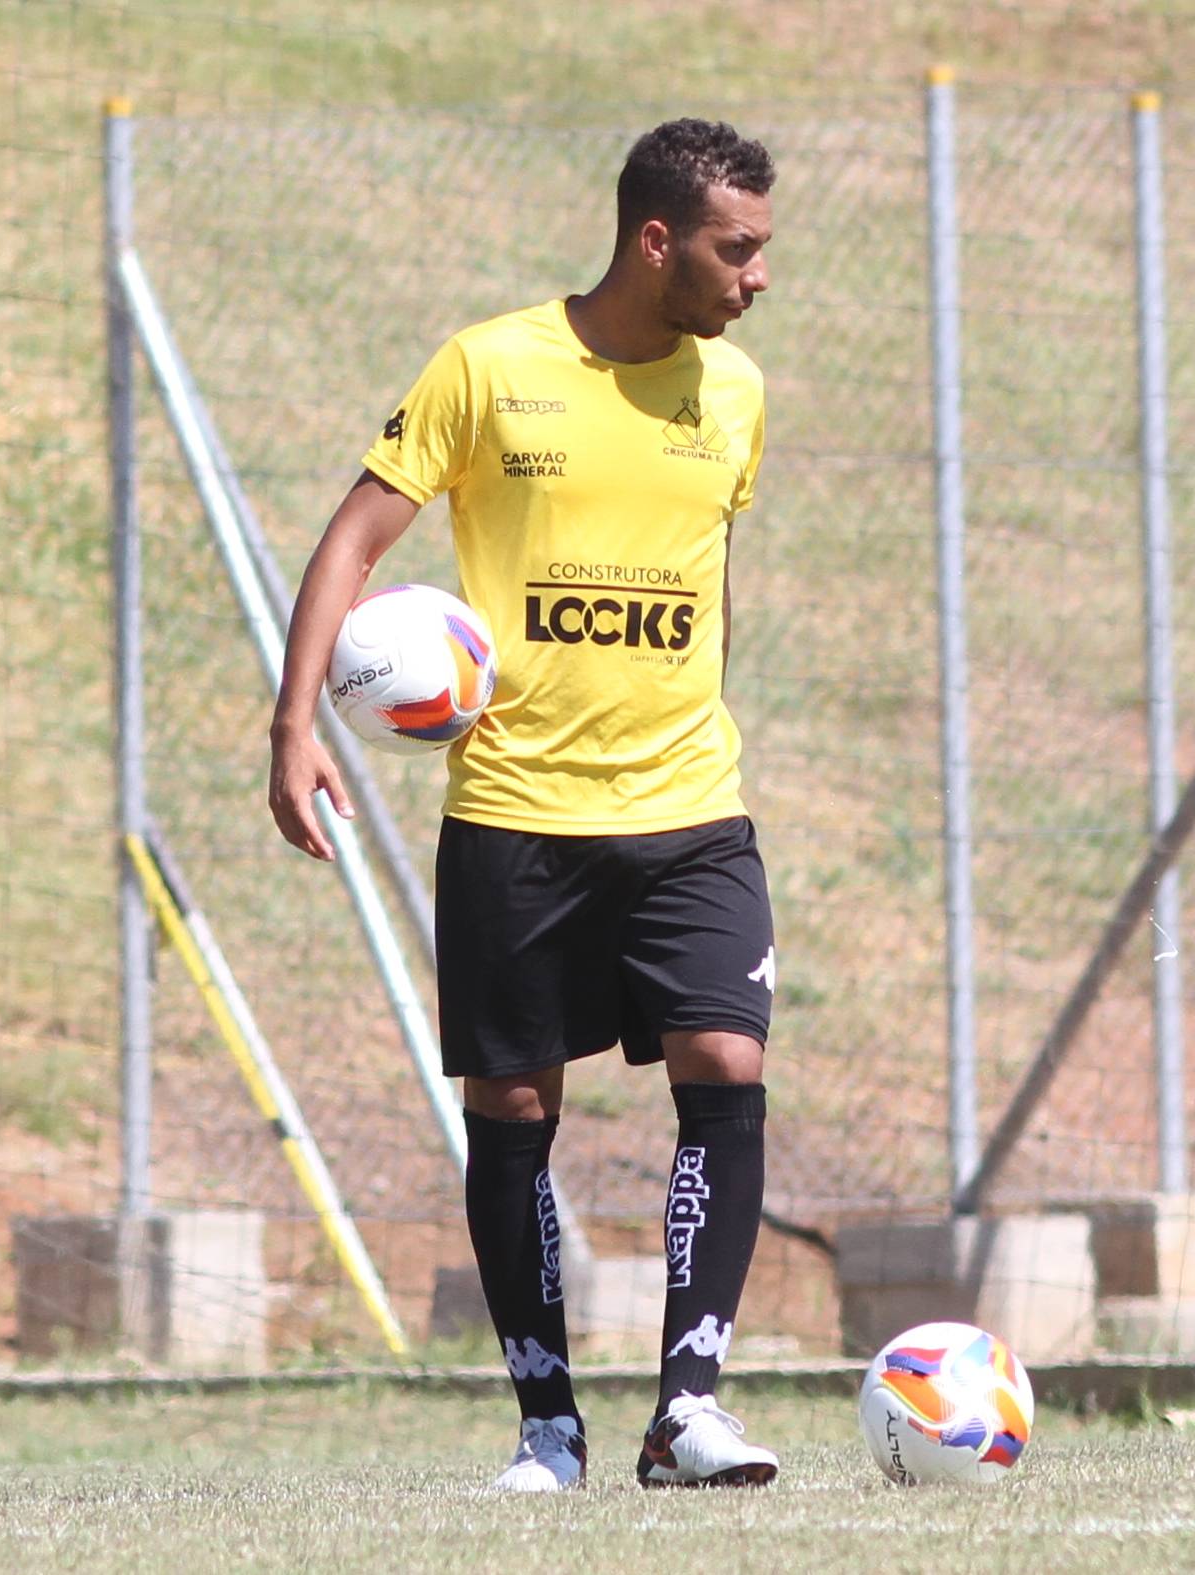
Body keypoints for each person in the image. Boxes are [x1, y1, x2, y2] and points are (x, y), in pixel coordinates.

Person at [267, 117, 781, 1491]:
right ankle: (548, 1429)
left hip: (686, 803)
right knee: (510, 1104)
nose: (757, 277)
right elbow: (355, 538)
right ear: (654, 239)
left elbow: (705, 578)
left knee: (725, 1065)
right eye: (737, 250)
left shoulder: (731, 394)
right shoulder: (488, 368)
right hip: (515, 811)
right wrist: (292, 721)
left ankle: (687, 1408)